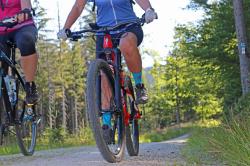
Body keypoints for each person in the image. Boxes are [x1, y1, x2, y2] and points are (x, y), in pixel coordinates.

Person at [57, 0, 157, 143]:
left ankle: (139, 86)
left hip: (129, 26)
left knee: (126, 44)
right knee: (103, 72)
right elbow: (78, 6)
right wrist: (66, 28)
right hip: (104, 32)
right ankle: (106, 124)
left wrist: (148, 10)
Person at [0, 0, 39, 105]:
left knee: (26, 40)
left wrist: (25, 12)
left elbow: (26, 4)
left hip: (22, 25)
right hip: (1, 29)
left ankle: (30, 86)